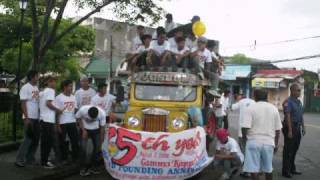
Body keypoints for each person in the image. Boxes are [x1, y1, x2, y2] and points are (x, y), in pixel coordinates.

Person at [242, 89, 282, 180]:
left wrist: (245, 140)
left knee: (253, 169)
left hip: (253, 141)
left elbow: (245, 127)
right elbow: (278, 129)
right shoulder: (273, 109)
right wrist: (276, 144)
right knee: (268, 169)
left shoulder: (250, 108)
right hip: (268, 142)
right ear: (266, 97)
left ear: (255, 97)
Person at [15, 70, 41, 167]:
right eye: (37, 76)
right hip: (29, 117)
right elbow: (23, 103)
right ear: (32, 77)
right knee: (28, 139)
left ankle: (30, 158)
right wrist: (26, 118)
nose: (38, 77)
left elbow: (37, 102)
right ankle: (19, 159)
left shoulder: (36, 87)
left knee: (36, 139)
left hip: (36, 118)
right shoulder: (25, 87)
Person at [282, 84, 305, 178]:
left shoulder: (299, 102)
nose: (299, 92)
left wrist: (303, 126)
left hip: (297, 127)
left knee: (295, 149)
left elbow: (301, 115)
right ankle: (285, 171)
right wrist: (290, 131)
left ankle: (292, 168)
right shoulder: (288, 102)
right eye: (298, 90)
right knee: (288, 150)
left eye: (300, 90)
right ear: (292, 91)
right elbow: (288, 116)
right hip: (290, 128)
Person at [39, 76, 62, 169]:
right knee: (47, 142)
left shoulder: (43, 92)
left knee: (45, 142)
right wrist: (58, 110)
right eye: (53, 82)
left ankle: (44, 161)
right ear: (48, 82)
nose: (54, 84)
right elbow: (48, 104)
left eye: (55, 82)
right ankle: (44, 163)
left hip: (43, 119)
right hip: (48, 120)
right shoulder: (50, 91)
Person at [76, 105, 106, 176]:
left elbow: (102, 128)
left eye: (94, 118)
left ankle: (93, 167)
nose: (91, 120)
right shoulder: (83, 109)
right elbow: (78, 118)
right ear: (87, 113)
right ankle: (83, 168)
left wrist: (101, 140)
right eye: (90, 118)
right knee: (83, 148)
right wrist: (83, 130)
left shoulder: (102, 113)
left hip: (96, 130)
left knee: (98, 148)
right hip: (85, 129)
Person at [55, 80, 80, 163]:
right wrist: (58, 125)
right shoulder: (59, 98)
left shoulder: (73, 97)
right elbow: (57, 113)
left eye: (72, 86)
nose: (71, 88)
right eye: (69, 86)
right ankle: (64, 158)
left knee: (75, 140)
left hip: (72, 122)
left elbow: (76, 109)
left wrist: (77, 121)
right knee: (63, 142)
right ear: (64, 87)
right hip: (62, 123)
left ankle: (75, 157)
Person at [231, 94, 255, 178]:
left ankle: (247, 171)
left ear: (240, 98)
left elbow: (232, 107)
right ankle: (254, 170)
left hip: (242, 132)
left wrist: (237, 101)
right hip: (252, 132)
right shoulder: (254, 102)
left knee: (244, 152)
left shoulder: (240, 101)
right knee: (251, 151)